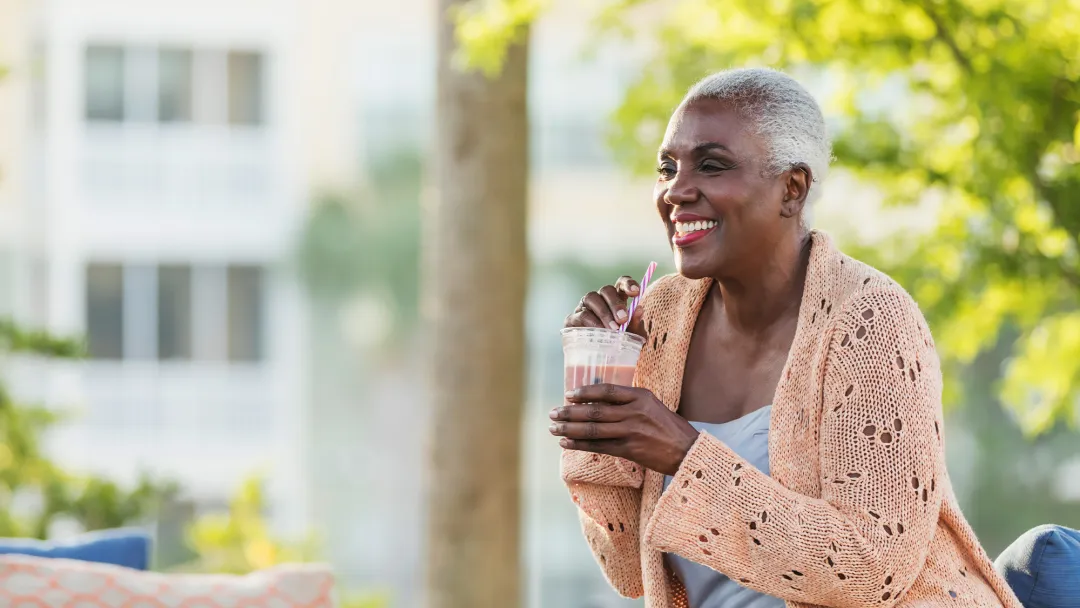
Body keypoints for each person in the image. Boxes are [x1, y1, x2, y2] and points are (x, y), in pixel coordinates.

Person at [550, 68, 1026, 607]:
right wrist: (597, 415)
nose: (676, 191)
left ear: (792, 189)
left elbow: (873, 567)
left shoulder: (868, 320)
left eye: (711, 165)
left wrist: (684, 455)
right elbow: (631, 572)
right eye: (667, 167)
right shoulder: (659, 317)